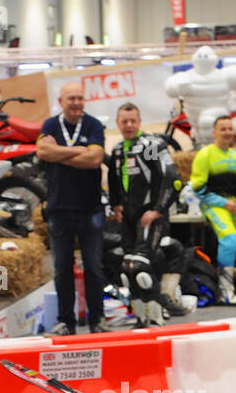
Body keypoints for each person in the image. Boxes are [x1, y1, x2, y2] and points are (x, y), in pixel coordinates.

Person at [36, 81, 107, 335]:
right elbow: (42, 151)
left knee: (94, 267)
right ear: (61, 101)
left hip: (91, 209)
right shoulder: (49, 125)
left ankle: (98, 319)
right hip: (59, 209)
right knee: (62, 269)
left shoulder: (94, 125)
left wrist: (59, 152)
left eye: (79, 98)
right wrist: (77, 150)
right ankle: (66, 321)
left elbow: (95, 159)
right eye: (71, 98)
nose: (76, 102)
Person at [106, 102, 184, 327]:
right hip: (128, 218)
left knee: (141, 267)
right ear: (118, 124)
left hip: (150, 216)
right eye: (124, 121)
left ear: (139, 122)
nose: (129, 125)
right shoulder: (119, 149)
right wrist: (116, 205)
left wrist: (158, 210)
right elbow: (113, 179)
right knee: (127, 269)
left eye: (133, 121)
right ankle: (141, 320)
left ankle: (157, 317)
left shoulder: (151, 144)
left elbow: (173, 179)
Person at [191, 115, 236, 305]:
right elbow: (198, 188)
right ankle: (225, 290)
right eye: (223, 129)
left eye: (230, 129)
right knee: (230, 240)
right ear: (214, 132)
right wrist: (225, 204)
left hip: (235, 205)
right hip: (213, 205)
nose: (227, 133)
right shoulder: (205, 154)